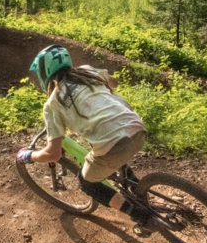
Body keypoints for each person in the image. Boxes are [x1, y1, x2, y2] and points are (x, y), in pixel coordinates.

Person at [17, 44, 150, 230]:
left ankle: (140, 215)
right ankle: (141, 192)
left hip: (114, 143)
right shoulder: (87, 72)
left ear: (44, 72)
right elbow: (114, 83)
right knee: (113, 153)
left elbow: (53, 154)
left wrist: (28, 156)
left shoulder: (52, 104)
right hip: (137, 128)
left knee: (87, 183)